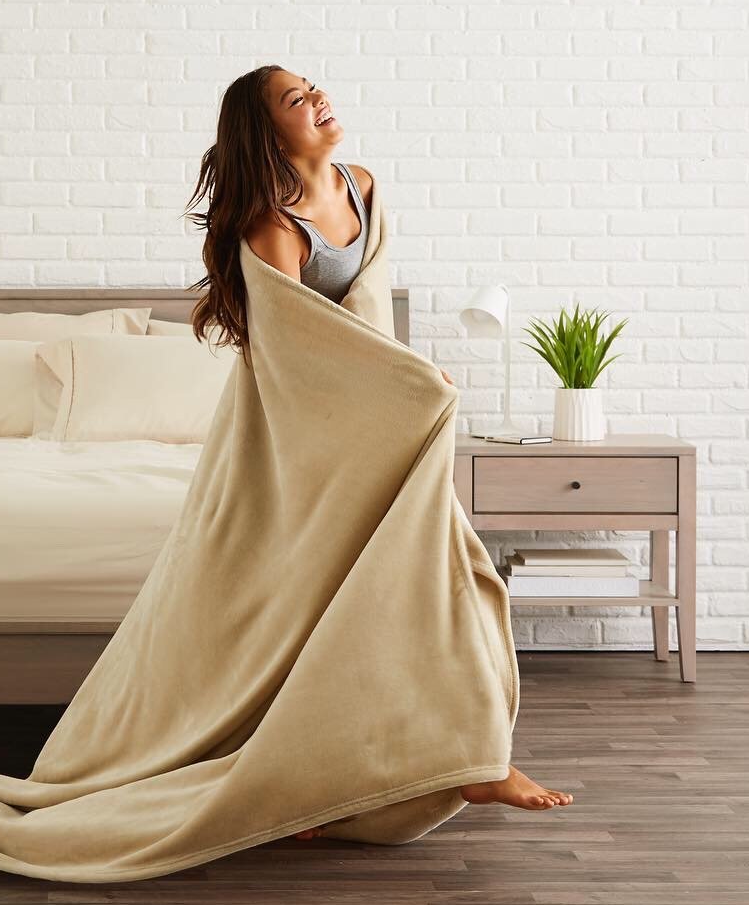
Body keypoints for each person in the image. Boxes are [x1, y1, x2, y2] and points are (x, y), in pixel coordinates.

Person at [183, 66, 574, 841]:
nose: (318, 99)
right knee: (338, 603)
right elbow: (297, 350)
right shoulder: (272, 228)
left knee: (445, 573)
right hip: (300, 429)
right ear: (269, 134)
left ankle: (474, 753)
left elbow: (365, 316)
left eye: (313, 87)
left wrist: (407, 380)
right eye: (296, 100)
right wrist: (406, 383)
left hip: (369, 414)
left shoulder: (361, 186)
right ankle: (300, 783)